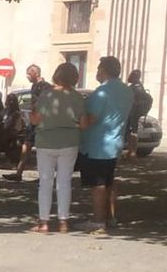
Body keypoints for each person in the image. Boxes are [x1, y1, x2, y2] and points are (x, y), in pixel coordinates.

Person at [29, 61, 85, 233]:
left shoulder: (46, 95)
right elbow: (83, 123)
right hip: (69, 141)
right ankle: (63, 222)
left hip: (46, 141)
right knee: (64, 182)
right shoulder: (77, 97)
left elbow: (35, 120)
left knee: (45, 182)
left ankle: (44, 222)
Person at [80, 55, 134, 231]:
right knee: (109, 182)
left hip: (98, 144)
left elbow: (91, 119)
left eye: (98, 68)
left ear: (103, 70)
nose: (97, 72)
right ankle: (110, 217)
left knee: (98, 184)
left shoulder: (101, 92)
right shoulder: (127, 91)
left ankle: (98, 220)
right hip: (115, 141)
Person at [6, 64, 52, 181]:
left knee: (42, 149)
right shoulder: (34, 86)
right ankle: (19, 172)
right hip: (34, 121)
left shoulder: (45, 86)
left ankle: (45, 175)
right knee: (26, 145)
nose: (27, 76)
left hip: (42, 121)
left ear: (35, 73)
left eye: (28, 74)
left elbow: (44, 103)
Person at [126, 69, 154, 158]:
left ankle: (132, 152)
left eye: (131, 75)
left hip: (133, 114)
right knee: (132, 133)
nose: (129, 77)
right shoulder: (138, 86)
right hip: (133, 113)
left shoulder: (136, 87)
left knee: (132, 133)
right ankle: (131, 152)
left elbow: (134, 101)